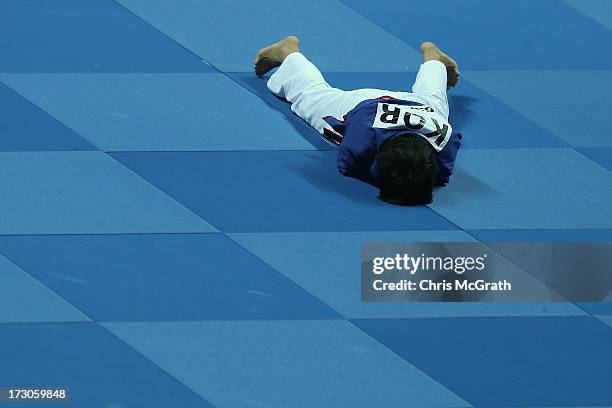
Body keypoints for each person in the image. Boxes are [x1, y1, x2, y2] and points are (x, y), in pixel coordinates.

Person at [254, 36, 462, 205]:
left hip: (419, 107)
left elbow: (442, 174)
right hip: (363, 105)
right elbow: (346, 165)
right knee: (309, 97)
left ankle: (434, 60)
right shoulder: (363, 136)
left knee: (434, 99)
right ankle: (288, 52)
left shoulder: (445, 138)